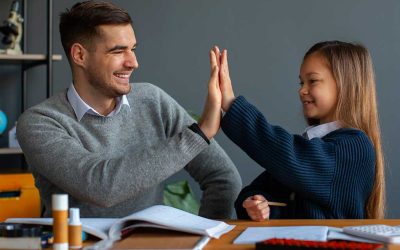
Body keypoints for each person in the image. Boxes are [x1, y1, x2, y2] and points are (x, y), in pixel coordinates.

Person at [16, 1, 241, 219]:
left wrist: (209, 236)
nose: (133, 62)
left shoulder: (153, 101)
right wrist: (199, 135)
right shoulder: (40, 122)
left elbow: (224, 178)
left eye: (132, 49)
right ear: (80, 55)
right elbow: (100, 188)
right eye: (118, 51)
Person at [203, 41, 385, 220]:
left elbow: (290, 157)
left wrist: (231, 104)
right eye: (301, 83)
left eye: (312, 81)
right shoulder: (313, 147)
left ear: (346, 85)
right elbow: (263, 188)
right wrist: (259, 205)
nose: (302, 90)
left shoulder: (355, 148)